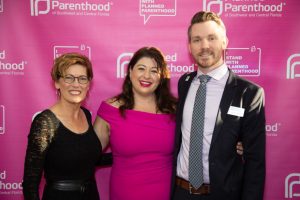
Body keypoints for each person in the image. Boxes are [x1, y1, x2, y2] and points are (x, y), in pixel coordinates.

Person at [172, 11, 266, 200]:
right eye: (197, 40)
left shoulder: (249, 93)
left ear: (225, 42)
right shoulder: (185, 82)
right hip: (181, 192)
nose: (204, 46)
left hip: (223, 195)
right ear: (189, 47)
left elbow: (255, 162)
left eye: (211, 38)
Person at [93, 47, 177, 200]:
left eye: (154, 71)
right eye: (141, 68)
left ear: (161, 77)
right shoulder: (110, 109)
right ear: (130, 71)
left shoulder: (175, 110)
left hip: (166, 194)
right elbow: (88, 153)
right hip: (125, 193)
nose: (147, 76)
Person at [22, 53, 102, 200]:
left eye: (82, 78)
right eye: (69, 78)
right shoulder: (45, 122)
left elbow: (86, 157)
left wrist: (126, 154)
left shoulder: (86, 115)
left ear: (88, 84)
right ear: (57, 83)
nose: (76, 84)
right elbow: (30, 184)